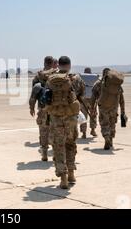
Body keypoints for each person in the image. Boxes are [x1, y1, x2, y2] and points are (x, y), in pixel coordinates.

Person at [45, 56, 85, 189]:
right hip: (71, 119)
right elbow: (82, 95)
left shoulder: (50, 79)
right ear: (69, 65)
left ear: (59, 64)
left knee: (58, 147)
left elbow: (46, 98)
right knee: (70, 144)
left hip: (56, 119)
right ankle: (72, 174)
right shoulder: (76, 78)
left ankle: (63, 178)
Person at [90, 68, 127, 150]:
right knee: (112, 124)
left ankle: (106, 137)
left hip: (103, 108)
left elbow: (93, 97)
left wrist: (92, 108)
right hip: (114, 107)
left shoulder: (98, 83)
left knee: (104, 124)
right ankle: (111, 140)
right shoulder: (116, 85)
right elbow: (121, 99)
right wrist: (123, 111)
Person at [29, 56, 57, 161]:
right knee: (55, 130)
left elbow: (34, 93)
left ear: (44, 63)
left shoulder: (38, 76)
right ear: (53, 63)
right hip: (55, 109)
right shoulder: (57, 74)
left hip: (42, 108)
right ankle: (55, 153)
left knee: (43, 131)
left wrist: (31, 108)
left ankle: (44, 153)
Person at [79, 67, 99, 138]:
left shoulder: (80, 77)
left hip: (83, 99)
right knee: (93, 114)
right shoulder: (95, 77)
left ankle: (84, 133)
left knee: (83, 116)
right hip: (92, 99)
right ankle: (93, 130)